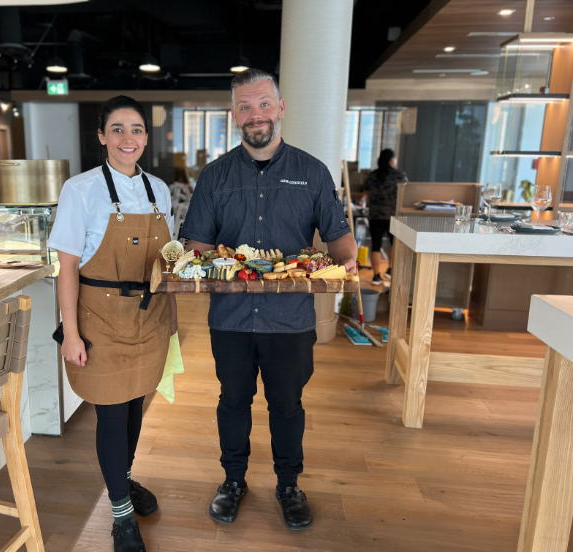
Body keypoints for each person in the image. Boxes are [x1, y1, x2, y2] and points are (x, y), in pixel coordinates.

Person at [181, 69, 357, 531]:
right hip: (231, 318)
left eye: (263, 105)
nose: (255, 115)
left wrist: (346, 266)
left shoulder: (312, 172)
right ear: (234, 115)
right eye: (245, 107)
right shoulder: (215, 177)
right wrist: (188, 262)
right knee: (233, 401)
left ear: (280, 109)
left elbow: (340, 243)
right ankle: (233, 481)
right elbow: (196, 245)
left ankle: (288, 485)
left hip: (290, 320)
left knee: (287, 405)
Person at [48, 95, 177, 552]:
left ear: (146, 137)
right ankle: (121, 516)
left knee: (136, 404)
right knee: (111, 410)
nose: (129, 138)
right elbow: (66, 268)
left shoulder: (160, 190)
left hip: (150, 315)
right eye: (118, 129)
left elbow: (167, 259)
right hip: (98, 317)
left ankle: (122, 482)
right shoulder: (79, 189)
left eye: (137, 129)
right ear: (102, 136)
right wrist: (71, 333)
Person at [362, 148, 407, 284]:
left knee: (376, 245)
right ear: (391, 160)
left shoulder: (373, 175)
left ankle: (376, 276)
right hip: (393, 215)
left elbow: (367, 192)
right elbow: (405, 194)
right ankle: (390, 269)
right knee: (394, 243)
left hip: (376, 215)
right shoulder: (399, 175)